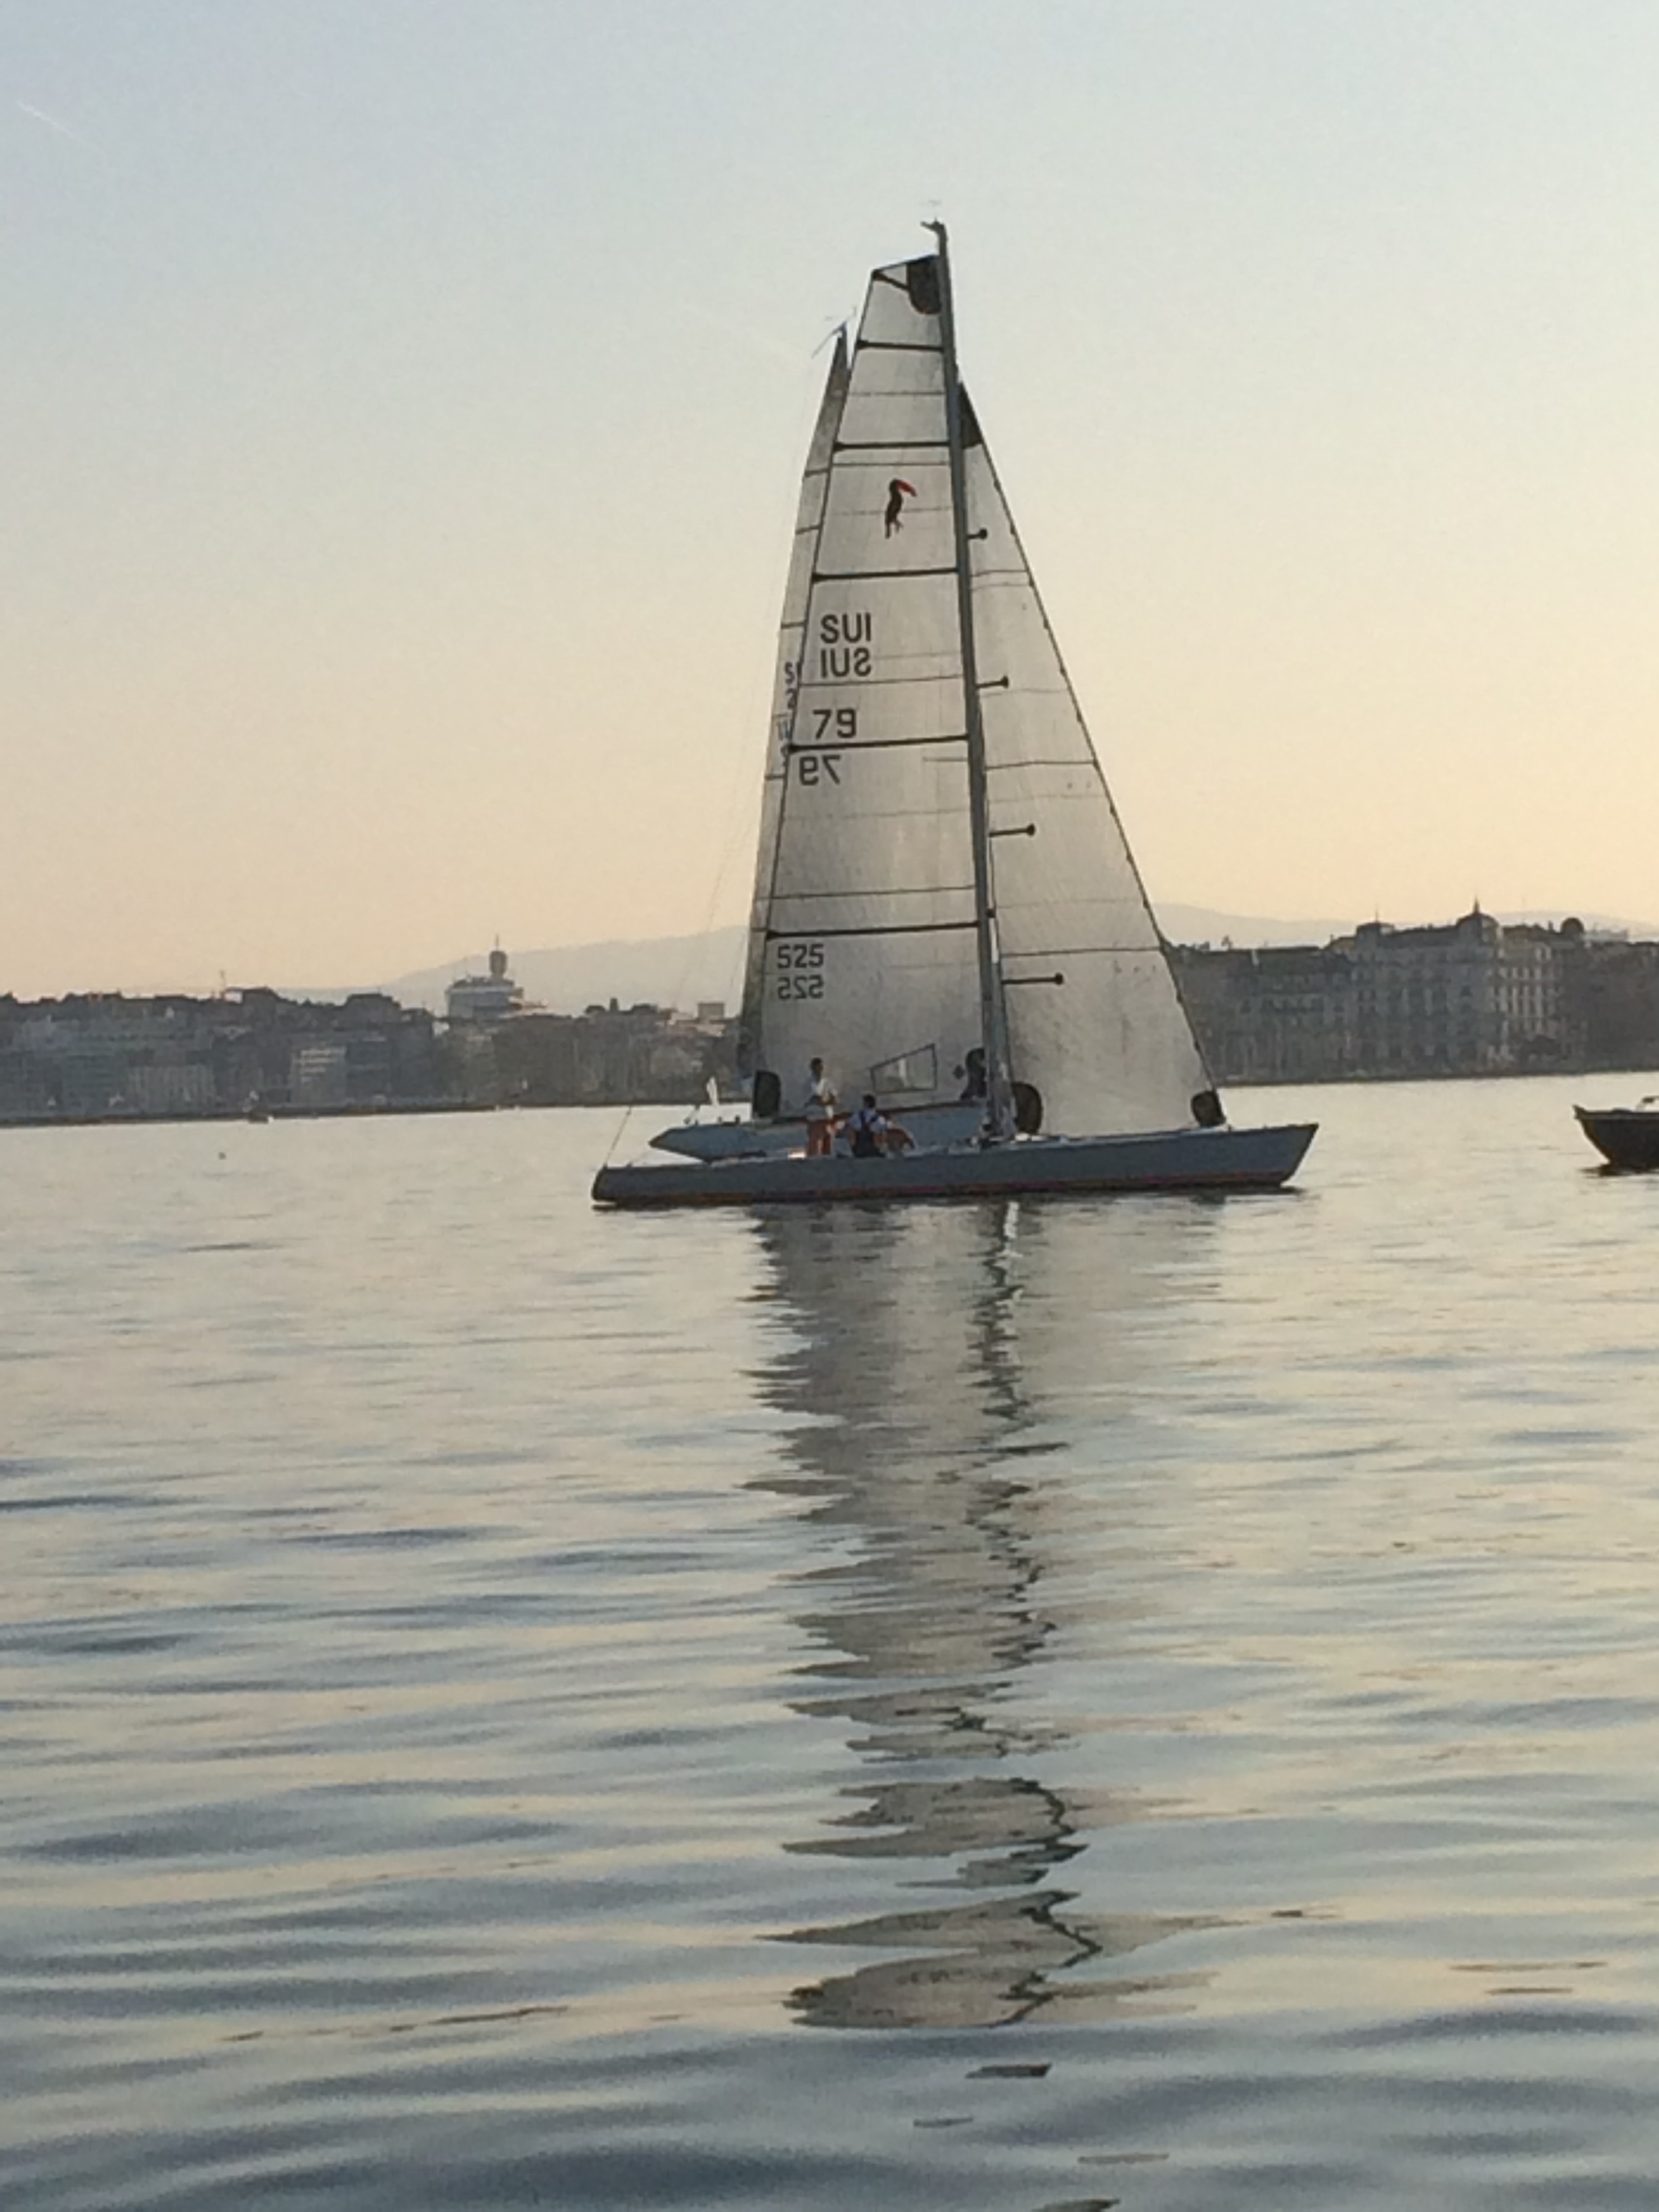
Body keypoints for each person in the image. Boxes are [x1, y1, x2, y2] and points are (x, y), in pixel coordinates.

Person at [843, 1093, 914, 1158]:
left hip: (858, 1152)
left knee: (852, 1129)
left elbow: (846, 1126)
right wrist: (907, 1136)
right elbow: (891, 1127)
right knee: (883, 1132)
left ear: (864, 1104)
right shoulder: (879, 1119)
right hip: (874, 1152)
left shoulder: (856, 1117)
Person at [802, 1057, 838, 1157]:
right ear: (812, 1068)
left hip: (827, 1117)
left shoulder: (827, 1083)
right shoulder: (809, 1084)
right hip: (815, 1118)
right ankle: (814, 1158)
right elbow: (815, 1099)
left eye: (821, 1067)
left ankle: (828, 1158)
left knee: (828, 1144)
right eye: (817, 1067)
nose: (820, 1070)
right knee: (815, 1144)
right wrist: (824, 1100)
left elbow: (834, 1099)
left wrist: (825, 1101)